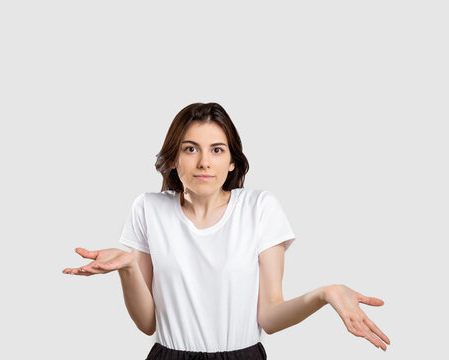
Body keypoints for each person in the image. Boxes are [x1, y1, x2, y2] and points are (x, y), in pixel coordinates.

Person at [62, 102, 391, 359]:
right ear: (174, 159)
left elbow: (271, 317)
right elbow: (148, 324)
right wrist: (129, 268)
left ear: (232, 161)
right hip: (169, 356)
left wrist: (325, 294)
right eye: (191, 149)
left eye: (217, 150)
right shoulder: (148, 208)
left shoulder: (259, 207)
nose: (204, 162)